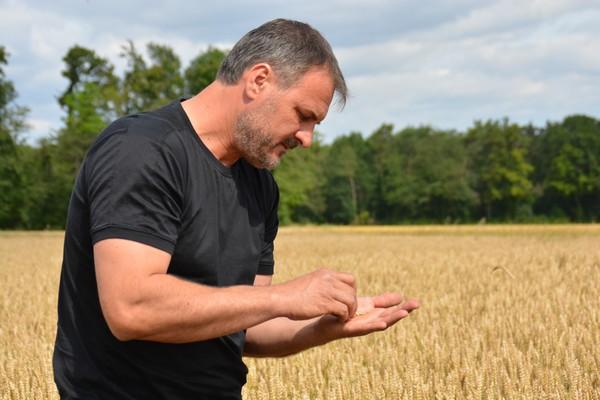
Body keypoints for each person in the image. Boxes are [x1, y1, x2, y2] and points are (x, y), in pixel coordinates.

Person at [52, 18, 419, 399]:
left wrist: (320, 328)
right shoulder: (142, 151)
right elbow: (131, 308)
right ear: (259, 80)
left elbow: (246, 326)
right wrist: (284, 298)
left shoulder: (259, 185)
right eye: (303, 115)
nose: (307, 139)